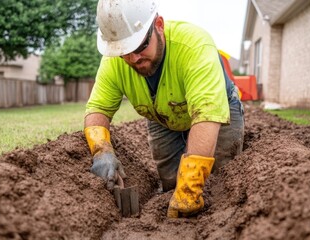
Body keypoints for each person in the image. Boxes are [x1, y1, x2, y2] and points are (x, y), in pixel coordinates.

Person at [84, 0, 244, 218]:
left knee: (220, 180)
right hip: (162, 115)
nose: (133, 59)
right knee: (171, 183)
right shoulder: (114, 62)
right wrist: (101, 151)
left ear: (159, 25)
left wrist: (189, 190)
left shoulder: (194, 46)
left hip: (217, 110)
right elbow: (98, 109)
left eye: (140, 46)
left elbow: (206, 115)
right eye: (124, 52)